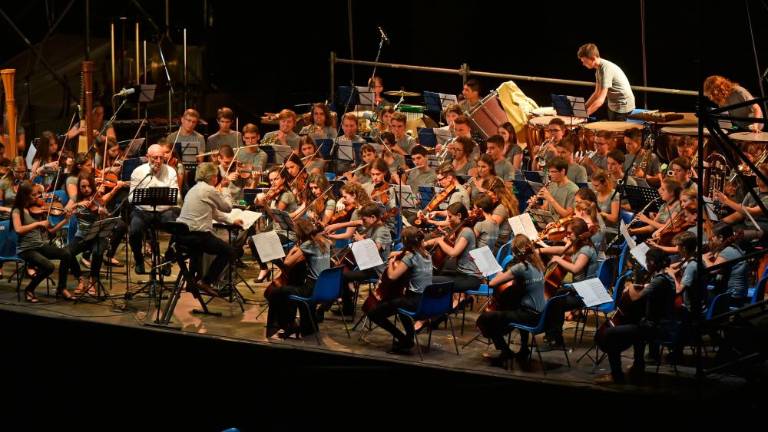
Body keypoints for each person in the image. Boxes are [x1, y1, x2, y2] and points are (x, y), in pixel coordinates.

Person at [595, 247, 677, 384]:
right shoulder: (665, 277)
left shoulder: (659, 280)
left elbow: (637, 298)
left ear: (652, 262)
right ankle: (638, 367)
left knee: (610, 334)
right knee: (637, 323)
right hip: (658, 323)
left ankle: (617, 375)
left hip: (656, 327)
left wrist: (630, 287)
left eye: (647, 262)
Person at [478, 234, 546, 367]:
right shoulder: (538, 264)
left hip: (529, 316)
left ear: (515, 252)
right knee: (515, 306)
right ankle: (524, 349)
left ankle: (506, 351)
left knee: (485, 318)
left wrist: (493, 274)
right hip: (541, 314)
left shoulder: (521, 267)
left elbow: (492, 284)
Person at [175, 162, 241, 296]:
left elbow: (214, 212)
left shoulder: (194, 189)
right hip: (197, 235)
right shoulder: (209, 190)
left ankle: (193, 283)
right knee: (230, 251)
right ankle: (206, 281)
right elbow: (227, 207)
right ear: (213, 177)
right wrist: (226, 188)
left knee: (203, 249)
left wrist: (231, 221)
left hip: (182, 234)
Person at [365, 226, 433, 354]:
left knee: (374, 313)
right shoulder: (427, 255)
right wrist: (398, 254)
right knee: (400, 306)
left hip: (414, 301)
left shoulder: (410, 257)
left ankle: (403, 339)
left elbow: (392, 276)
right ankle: (408, 337)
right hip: (426, 301)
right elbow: (409, 256)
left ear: (405, 241)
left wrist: (390, 261)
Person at [12, 182, 83, 302]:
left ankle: (62, 288)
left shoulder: (39, 210)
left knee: (66, 254)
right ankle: (29, 289)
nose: (38, 197)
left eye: (38, 194)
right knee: (49, 266)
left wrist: (65, 220)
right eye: (34, 195)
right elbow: (18, 229)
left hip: (39, 245)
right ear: (25, 195)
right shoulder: (17, 211)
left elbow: (51, 230)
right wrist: (38, 224)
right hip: (26, 249)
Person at [265, 218, 331, 339]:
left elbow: (287, 263)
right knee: (293, 287)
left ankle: (288, 325)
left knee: (276, 292)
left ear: (299, 233)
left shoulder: (308, 244)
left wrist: (294, 249)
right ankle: (308, 326)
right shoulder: (325, 241)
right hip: (327, 287)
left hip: (313, 289)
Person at [128, 144, 180, 275]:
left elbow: (177, 196)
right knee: (134, 229)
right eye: (155, 158)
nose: (158, 161)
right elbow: (131, 197)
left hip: (164, 210)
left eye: (161, 158)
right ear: (147, 157)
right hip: (143, 211)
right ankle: (139, 259)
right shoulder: (138, 172)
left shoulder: (171, 171)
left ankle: (168, 259)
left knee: (179, 228)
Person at [68, 172, 128, 286]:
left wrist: (104, 212)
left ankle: (92, 281)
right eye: (83, 187)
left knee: (98, 251)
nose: (86, 189)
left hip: (98, 235)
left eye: (89, 186)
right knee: (67, 253)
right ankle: (80, 279)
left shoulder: (98, 198)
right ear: (79, 187)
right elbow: (67, 210)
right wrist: (77, 205)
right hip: (82, 235)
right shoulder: (76, 199)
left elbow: (107, 216)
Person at [423, 202, 482, 304]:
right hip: (460, 273)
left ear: (459, 216)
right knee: (435, 276)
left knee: (430, 281)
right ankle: (442, 307)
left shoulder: (466, 232)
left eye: (450, 217)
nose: (448, 219)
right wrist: (425, 243)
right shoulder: (459, 229)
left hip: (469, 278)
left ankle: (437, 310)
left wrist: (440, 242)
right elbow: (443, 239)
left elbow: (453, 253)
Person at [577, 43, 635, 120]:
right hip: (613, 104)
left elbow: (601, 100)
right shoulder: (598, 70)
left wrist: (585, 115)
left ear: (593, 58)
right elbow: (596, 93)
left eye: (584, 61)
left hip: (623, 106)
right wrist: (583, 108)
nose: (583, 64)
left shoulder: (606, 69)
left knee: (617, 131)